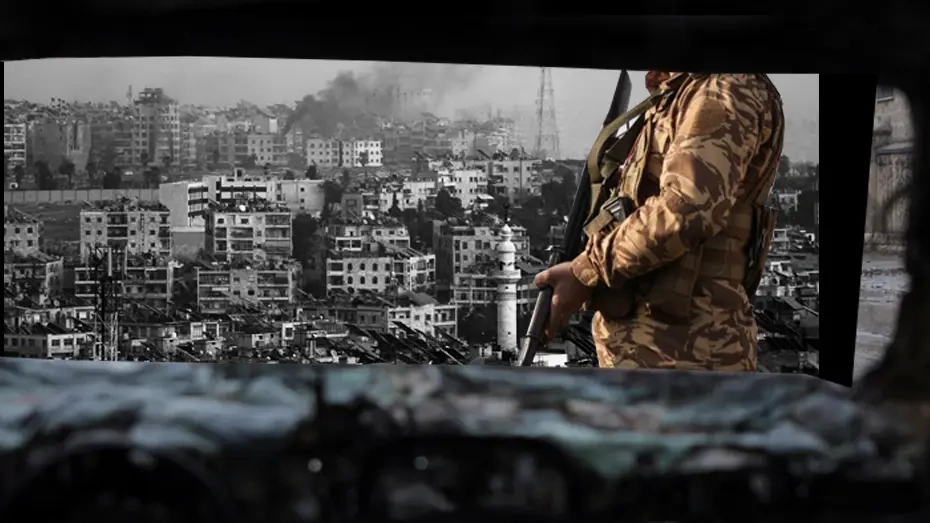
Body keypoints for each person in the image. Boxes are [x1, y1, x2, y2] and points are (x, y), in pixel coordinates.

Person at [534, 72, 785, 371]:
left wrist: (587, 270)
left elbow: (688, 208)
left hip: (687, 353)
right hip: (651, 350)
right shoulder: (675, 95)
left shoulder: (722, 89)